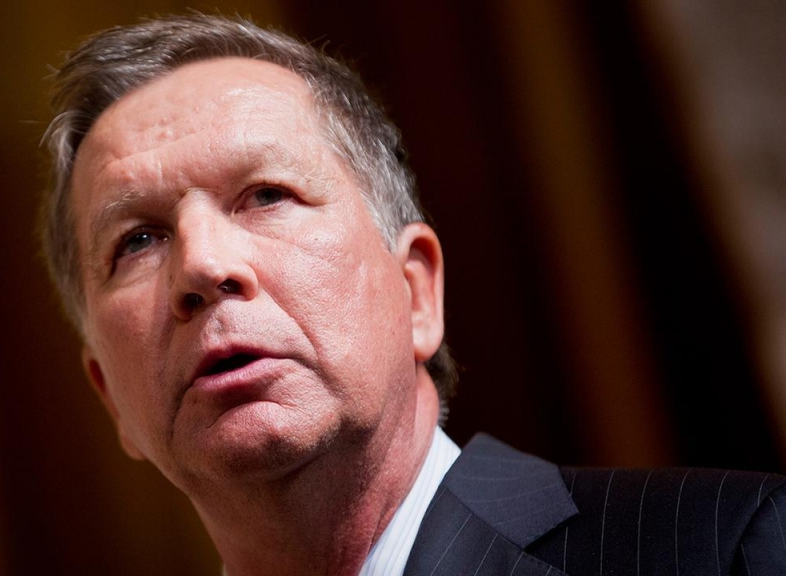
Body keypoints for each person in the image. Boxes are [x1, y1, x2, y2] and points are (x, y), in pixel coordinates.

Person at [39, 14, 786, 576]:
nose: (202, 265)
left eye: (266, 194)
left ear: (416, 291)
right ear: (111, 399)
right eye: (137, 241)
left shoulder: (724, 546)